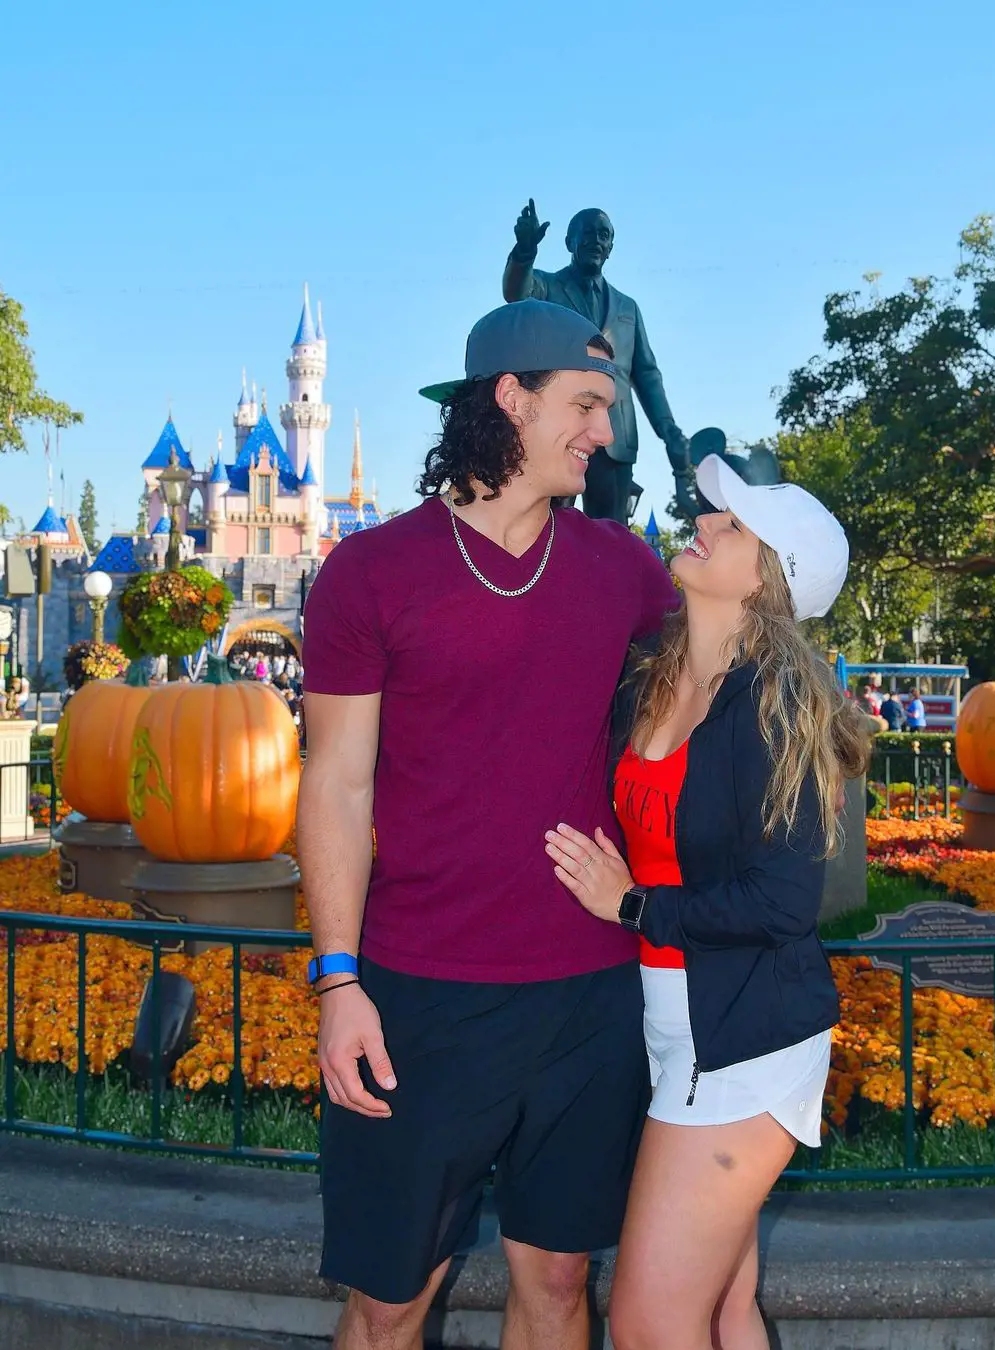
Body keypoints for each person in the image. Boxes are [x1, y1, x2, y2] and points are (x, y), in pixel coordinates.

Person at [298, 298, 678, 1350]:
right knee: (391, 1303)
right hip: (424, 996)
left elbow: (722, 703)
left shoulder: (625, 570)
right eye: (589, 405)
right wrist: (339, 982)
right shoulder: (369, 574)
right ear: (510, 399)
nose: (606, 431)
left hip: (590, 996)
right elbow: (335, 786)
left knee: (559, 1283)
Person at [545, 453, 869, 1350]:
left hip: (747, 1033)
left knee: (651, 1323)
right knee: (722, 1310)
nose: (706, 523)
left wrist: (633, 907)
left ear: (767, 577)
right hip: (670, 1019)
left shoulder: (777, 703)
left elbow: (784, 902)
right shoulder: (651, 674)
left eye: (734, 526)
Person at [493, 201, 697, 525]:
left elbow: (646, 374)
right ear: (569, 242)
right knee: (549, 526)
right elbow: (515, 293)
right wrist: (524, 250)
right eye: (587, 234)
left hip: (616, 434)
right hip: (562, 428)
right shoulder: (547, 287)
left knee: (611, 533)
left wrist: (668, 430)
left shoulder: (627, 308)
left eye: (604, 235)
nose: (596, 241)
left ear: (611, 247)